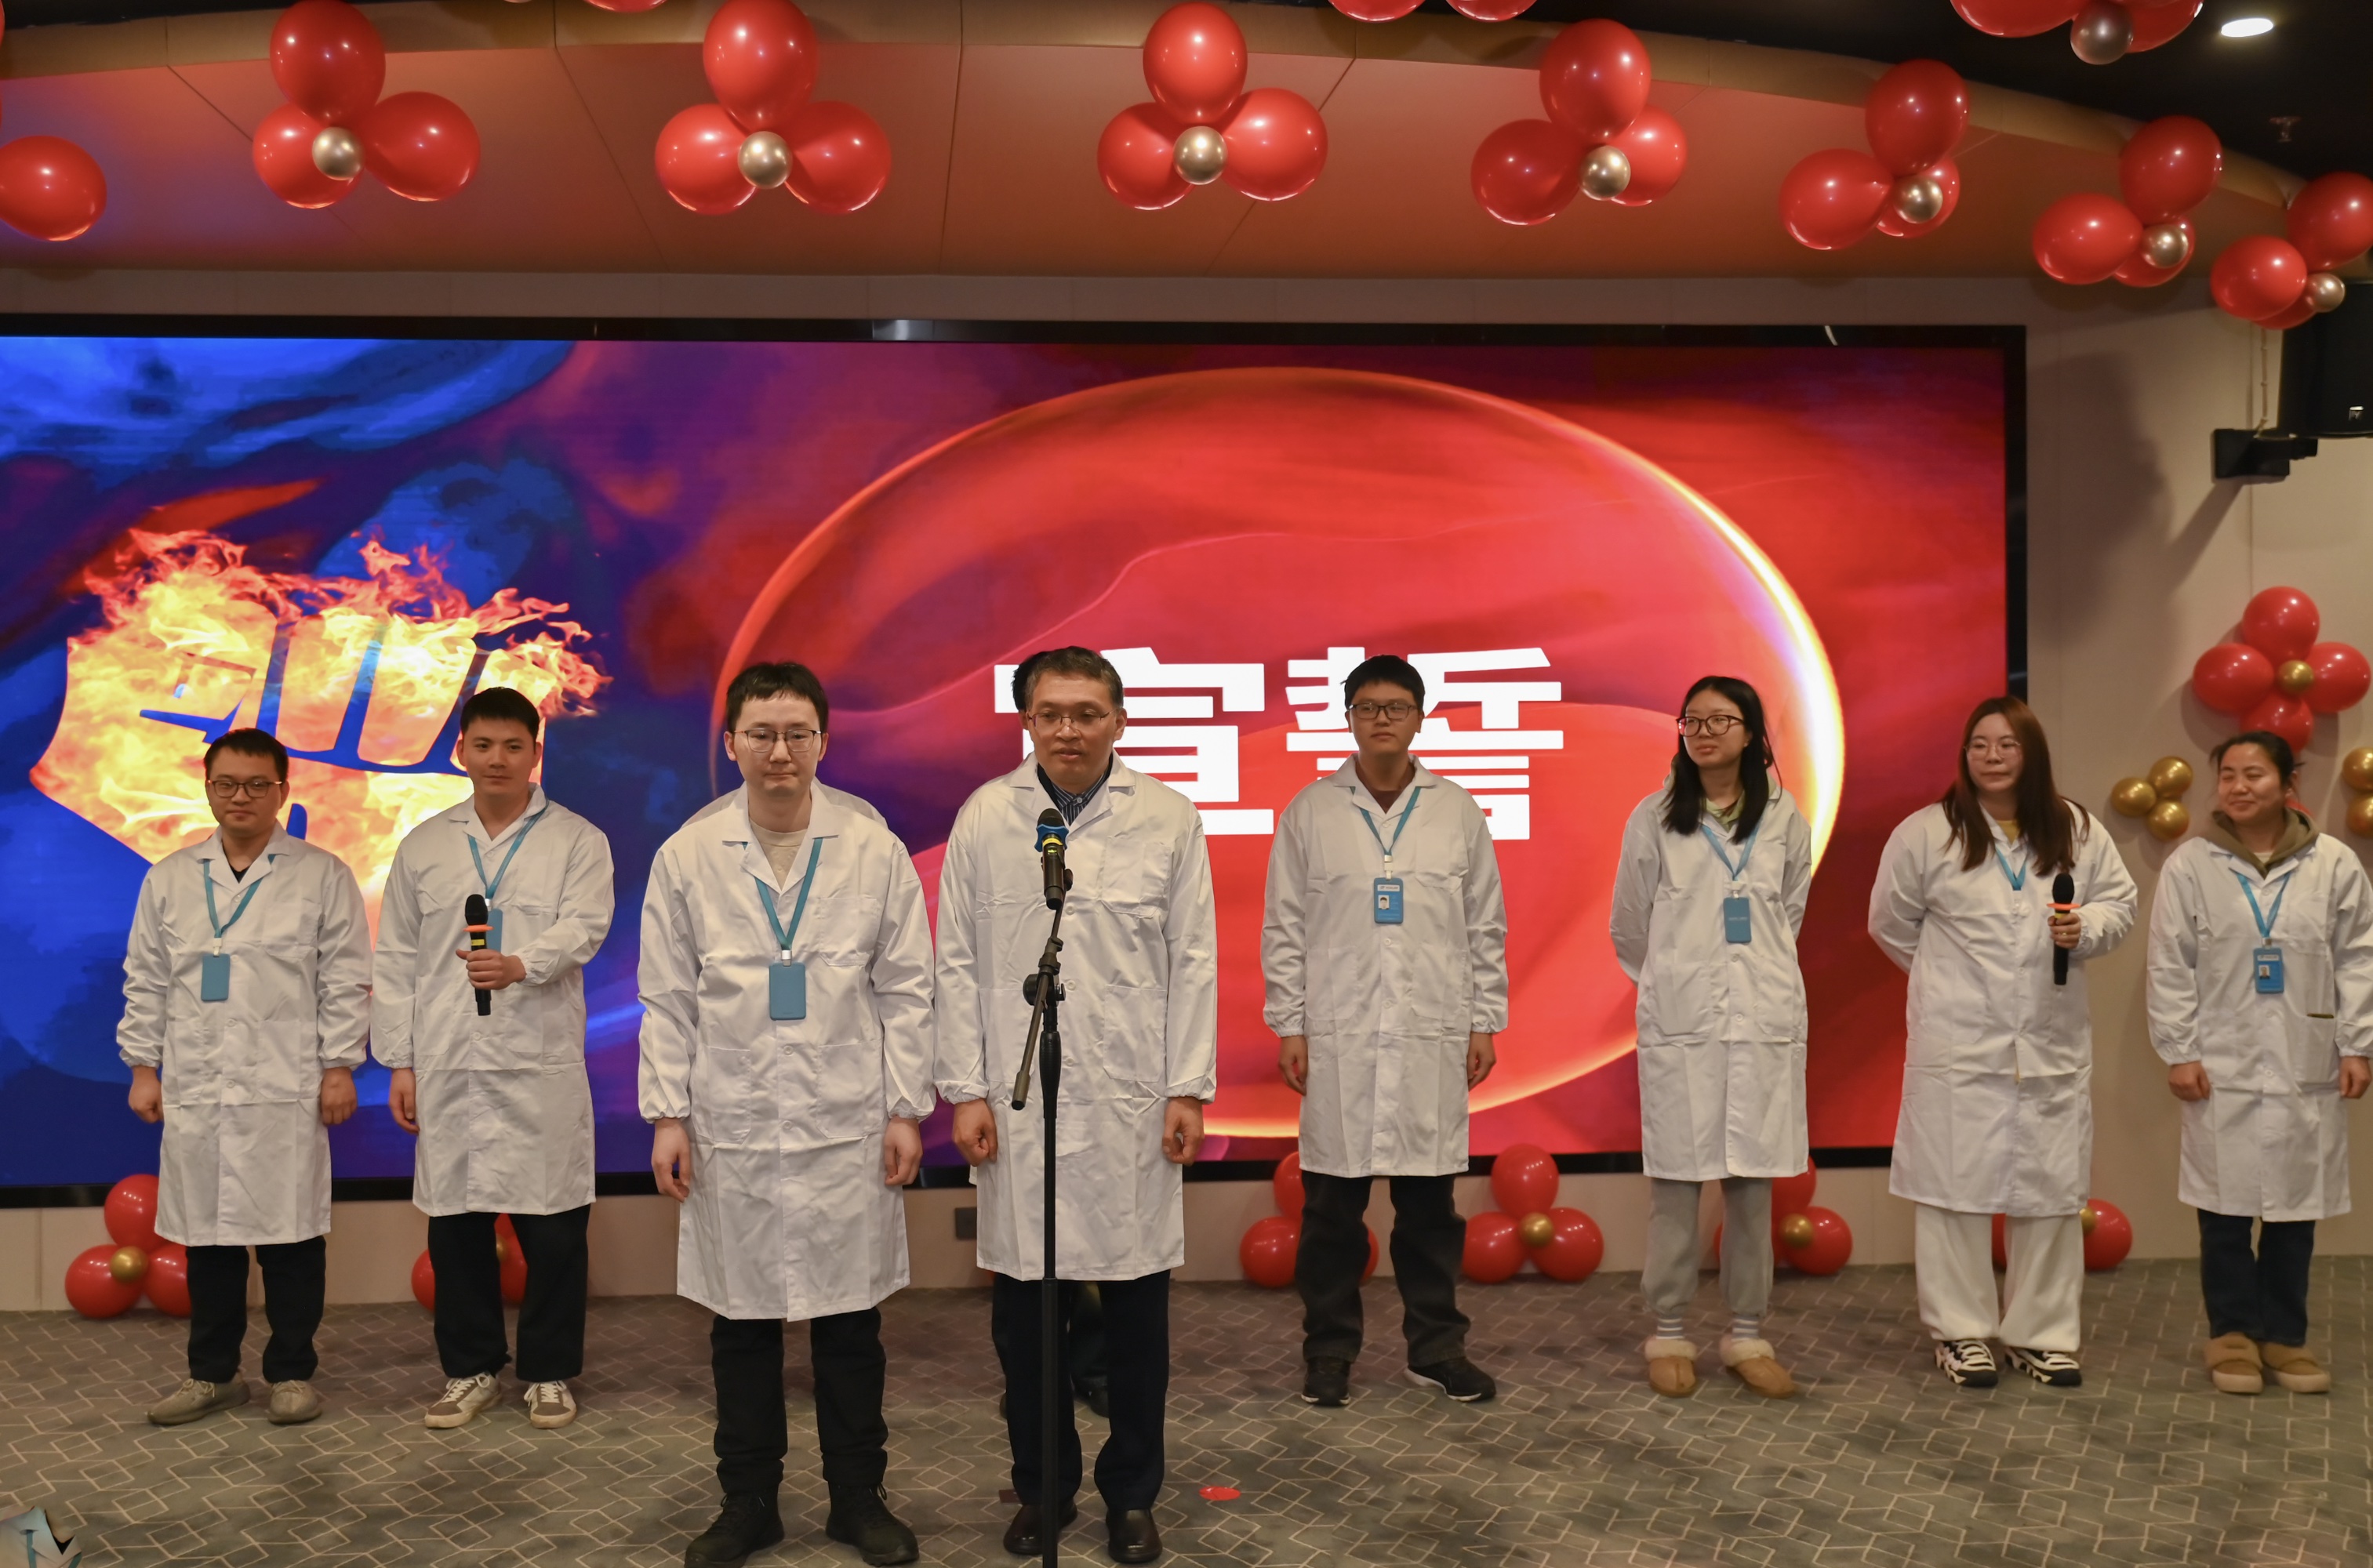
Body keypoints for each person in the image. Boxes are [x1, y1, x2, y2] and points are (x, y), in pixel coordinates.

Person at [641, 661, 933, 1568]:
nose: (779, 751)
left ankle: (857, 1498)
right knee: (741, 1323)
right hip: (730, 1121)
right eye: (761, 733)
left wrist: (904, 1107)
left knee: (850, 1324)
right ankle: (748, 1501)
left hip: (846, 1120)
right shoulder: (689, 853)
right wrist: (667, 1114)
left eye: (796, 733)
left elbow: (906, 988)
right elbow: (667, 997)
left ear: (822, 742)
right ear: (730, 741)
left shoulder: (870, 847)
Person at [936, 646, 1217, 1566]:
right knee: (1026, 1319)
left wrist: (1186, 1086)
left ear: (1119, 720)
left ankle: (1131, 1493)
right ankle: (1043, 1486)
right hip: (1018, 1101)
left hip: (1133, 1100)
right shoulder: (988, 816)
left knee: (1135, 1314)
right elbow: (957, 962)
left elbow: (1192, 959)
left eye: (1087, 712)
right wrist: (965, 1089)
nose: (1068, 729)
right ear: (1025, 720)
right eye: (1050, 712)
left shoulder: (1166, 816)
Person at [1869, 695, 2136, 1388]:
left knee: (2050, 1191)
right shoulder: (1927, 832)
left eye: (2007, 744)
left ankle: (2040, 1336)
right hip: (1960, 1042)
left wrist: (2086, 930)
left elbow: (2120, 903)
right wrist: (1951, 982)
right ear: (1965, 755)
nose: (1992, 757)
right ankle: (1961, 1333)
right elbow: (1890, 922)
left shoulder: (2075, 827)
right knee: (1952, 1190)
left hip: (2049, 1038)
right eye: (1980, 745)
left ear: (2031, 753)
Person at [1264, 653, 1506, 1409]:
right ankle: (1329, 1352)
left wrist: (1484, 1020)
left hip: (1430, 1033)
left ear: (1419, 718)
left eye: (1396, 707)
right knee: (1331, 1214)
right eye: (1367, 707)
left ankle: (1437, 1350)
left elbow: (1485, 925)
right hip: (1340, 1036)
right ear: (1348, 717)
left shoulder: (1456, 810)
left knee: (1429, 1212)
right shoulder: (1311, 811)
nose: (1381, 720)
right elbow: (1284, 927)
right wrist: (1290, 1024)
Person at [373, 687, 616, 1432]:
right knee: (456, 1227)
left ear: (536, 754)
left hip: (539, 1060)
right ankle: (469, 1369)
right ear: (461, 753)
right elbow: (397, 959)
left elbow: (586, 926)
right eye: (483, 745)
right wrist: (402, 1061)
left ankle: (548, 1372)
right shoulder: (425, 845)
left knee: (555, 1228)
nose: (498, 759)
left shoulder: (577, 839)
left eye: (514, 746)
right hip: (448, 1060)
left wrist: (523, 964)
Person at [120, 728, 371, 1428]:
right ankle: (212, 1375)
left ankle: (291, 1374)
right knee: (209, 1240)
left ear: (283, 792)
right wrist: (142, 1067)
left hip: (285, 1087)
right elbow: (146, 979)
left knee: (292, 1239)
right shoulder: (170, 878)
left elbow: (346, 980)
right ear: (207, 788)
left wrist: (340, 1066)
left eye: (258, 785)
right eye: (227, 784)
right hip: (198, 1085)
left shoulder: (321, 875)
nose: (241, 797)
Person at [2146, 731, 2373, 1396]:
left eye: (2254, 774)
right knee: (2224, 1212)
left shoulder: (2333, 864)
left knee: (2294, 1213)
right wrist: (2180, 1050)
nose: (2239, 787)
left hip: (2306, 1059)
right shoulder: (2192, 865)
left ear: (2287, 783)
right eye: (2228, 776)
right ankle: (2232, 1336)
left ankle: (2285, 1337)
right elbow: (2170, 963)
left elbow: (2358, 958)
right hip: (2223, 1062)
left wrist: (2357, 1044)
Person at [1609, 677, 1812, 1400]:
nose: (1702, 732)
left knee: (1752, 1185)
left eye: (1719, 721)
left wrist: (1745, 975)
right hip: (1684, 1023)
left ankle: (1747, 1332)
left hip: (1760, 1020)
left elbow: (1789, 910)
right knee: (1676, 1183)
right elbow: (1629, 925)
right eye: (1691, 720)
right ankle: (1668, 1331)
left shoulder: (1784, 817)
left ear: (1751, 734)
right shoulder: (1655, 816)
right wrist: (1675, 982)